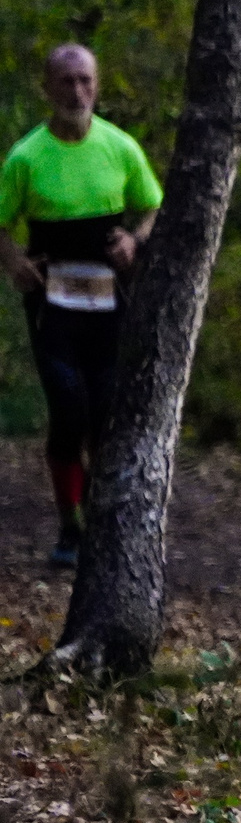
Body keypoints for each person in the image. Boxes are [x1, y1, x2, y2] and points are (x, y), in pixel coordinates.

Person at [0, 46, 162, 568]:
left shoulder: (120, 147)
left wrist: (135, 242)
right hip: (53, 303)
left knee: (106, 411)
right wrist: (14, 262)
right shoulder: (26, 157)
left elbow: (154, 205)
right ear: (46, 88)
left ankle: (100, 517)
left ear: (98, 85)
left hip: (109, 301)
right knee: (68, 405)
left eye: (85, 81)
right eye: (65, 82)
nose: (76, 92)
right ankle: (70, 524)